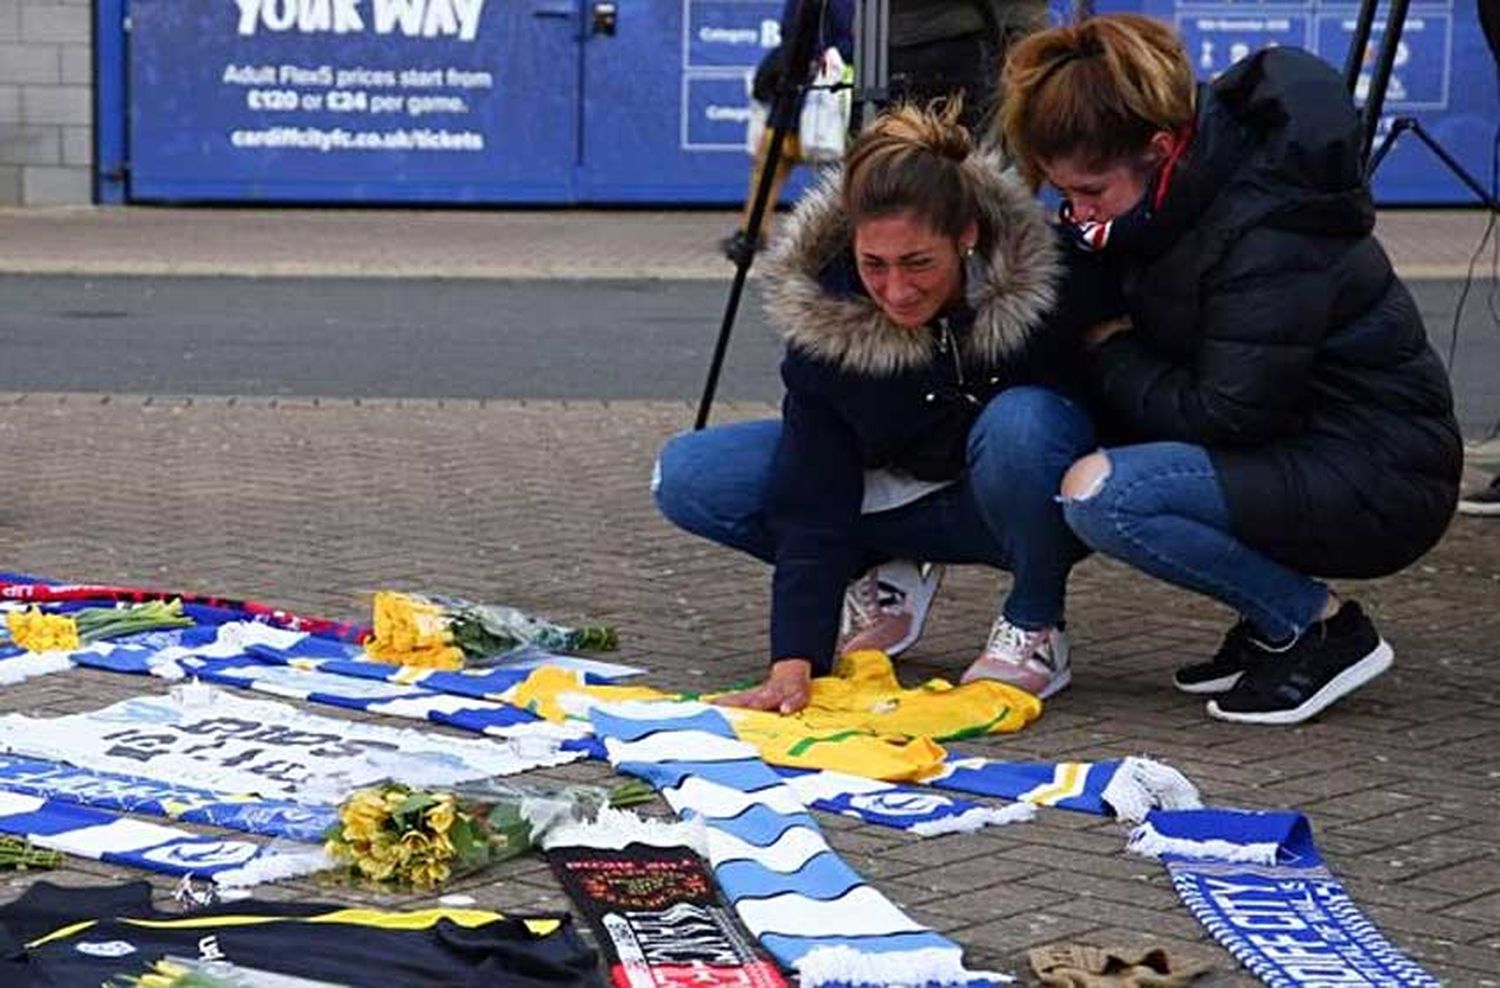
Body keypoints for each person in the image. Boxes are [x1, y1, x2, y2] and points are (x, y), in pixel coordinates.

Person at [998, 15, 1463, 725]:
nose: (1077, 212)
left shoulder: (1267, 224)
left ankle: (1317, 628)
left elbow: (1230, 413)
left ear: (1158, 149)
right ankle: (1270, 626)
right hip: (1312, 444)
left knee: (1105, 496)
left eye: (1090, 192)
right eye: (1063, 194)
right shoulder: (1171, 198)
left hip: (1385, 474)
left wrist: (1110, 348)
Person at [657, 100, 1114, 713]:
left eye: (919, 263)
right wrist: (795, 662)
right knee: (691, 475)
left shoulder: (1051, 277)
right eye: (875, 265)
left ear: (968, 236)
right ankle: (885, 566)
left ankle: (1034, 626)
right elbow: (811, 497)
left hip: (1028, 498)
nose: (897, 291)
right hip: (901, 492)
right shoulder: (828, 319)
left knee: (1024, 423)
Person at [722, 0, 855, 262]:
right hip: (791, 91)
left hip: (819, 91)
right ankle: (752, 233)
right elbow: (789, 36)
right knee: (768, 162)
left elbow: (846, 38)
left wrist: (824, 61)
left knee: (844, 172)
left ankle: (846, 236)